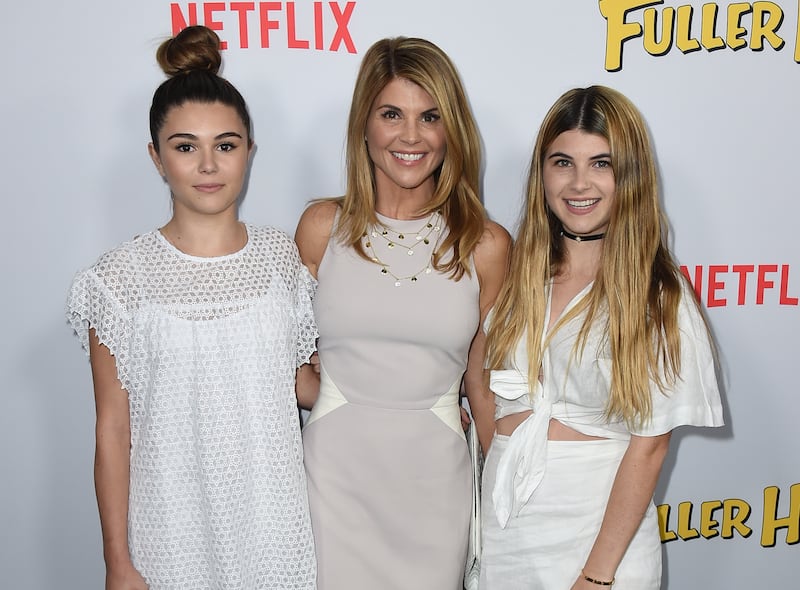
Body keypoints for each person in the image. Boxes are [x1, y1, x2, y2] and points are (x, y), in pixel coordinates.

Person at [66, 26, 317, 590]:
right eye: (186, 147)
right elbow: (112, 428)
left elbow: (302, 383)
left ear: (249, 152)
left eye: (225, 145)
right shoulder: (115, 280)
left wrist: (412, 396)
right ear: (156, 157)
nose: (208, 165)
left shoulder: (281, 259)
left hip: (275, 526)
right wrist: (118, 562)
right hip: (168, 533)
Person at [481, 86, 724, 589]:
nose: (578, 183)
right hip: (508, 529)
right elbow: (485, 385)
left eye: (601, 164)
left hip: (599, 541)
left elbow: (651, 445)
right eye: (562, 162)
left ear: (628, 175)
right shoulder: (518, 275)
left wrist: (596, 577)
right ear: (542, 173)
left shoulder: (657, 294)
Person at [295, 36, 510, 590]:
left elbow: (484, 386)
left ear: (451, 130)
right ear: (364, 126)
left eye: (429, 116)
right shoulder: (323, 229)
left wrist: (513, 497)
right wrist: (330, 394)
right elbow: (283, 357)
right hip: (332, 482)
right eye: (392, 114)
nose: (410, 136)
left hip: (434, 484)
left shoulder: (484, 245)